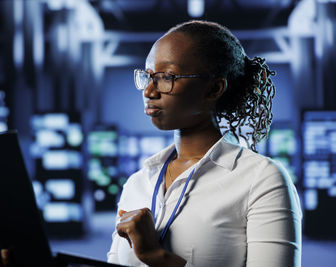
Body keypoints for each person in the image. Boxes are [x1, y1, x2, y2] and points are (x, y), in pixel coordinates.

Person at [107, 20, 302, 267]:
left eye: (166, 76)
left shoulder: (262, 180)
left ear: (214, 89)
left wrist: (158, 257)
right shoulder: (138, 182)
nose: (149, 90)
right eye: (147, 76)